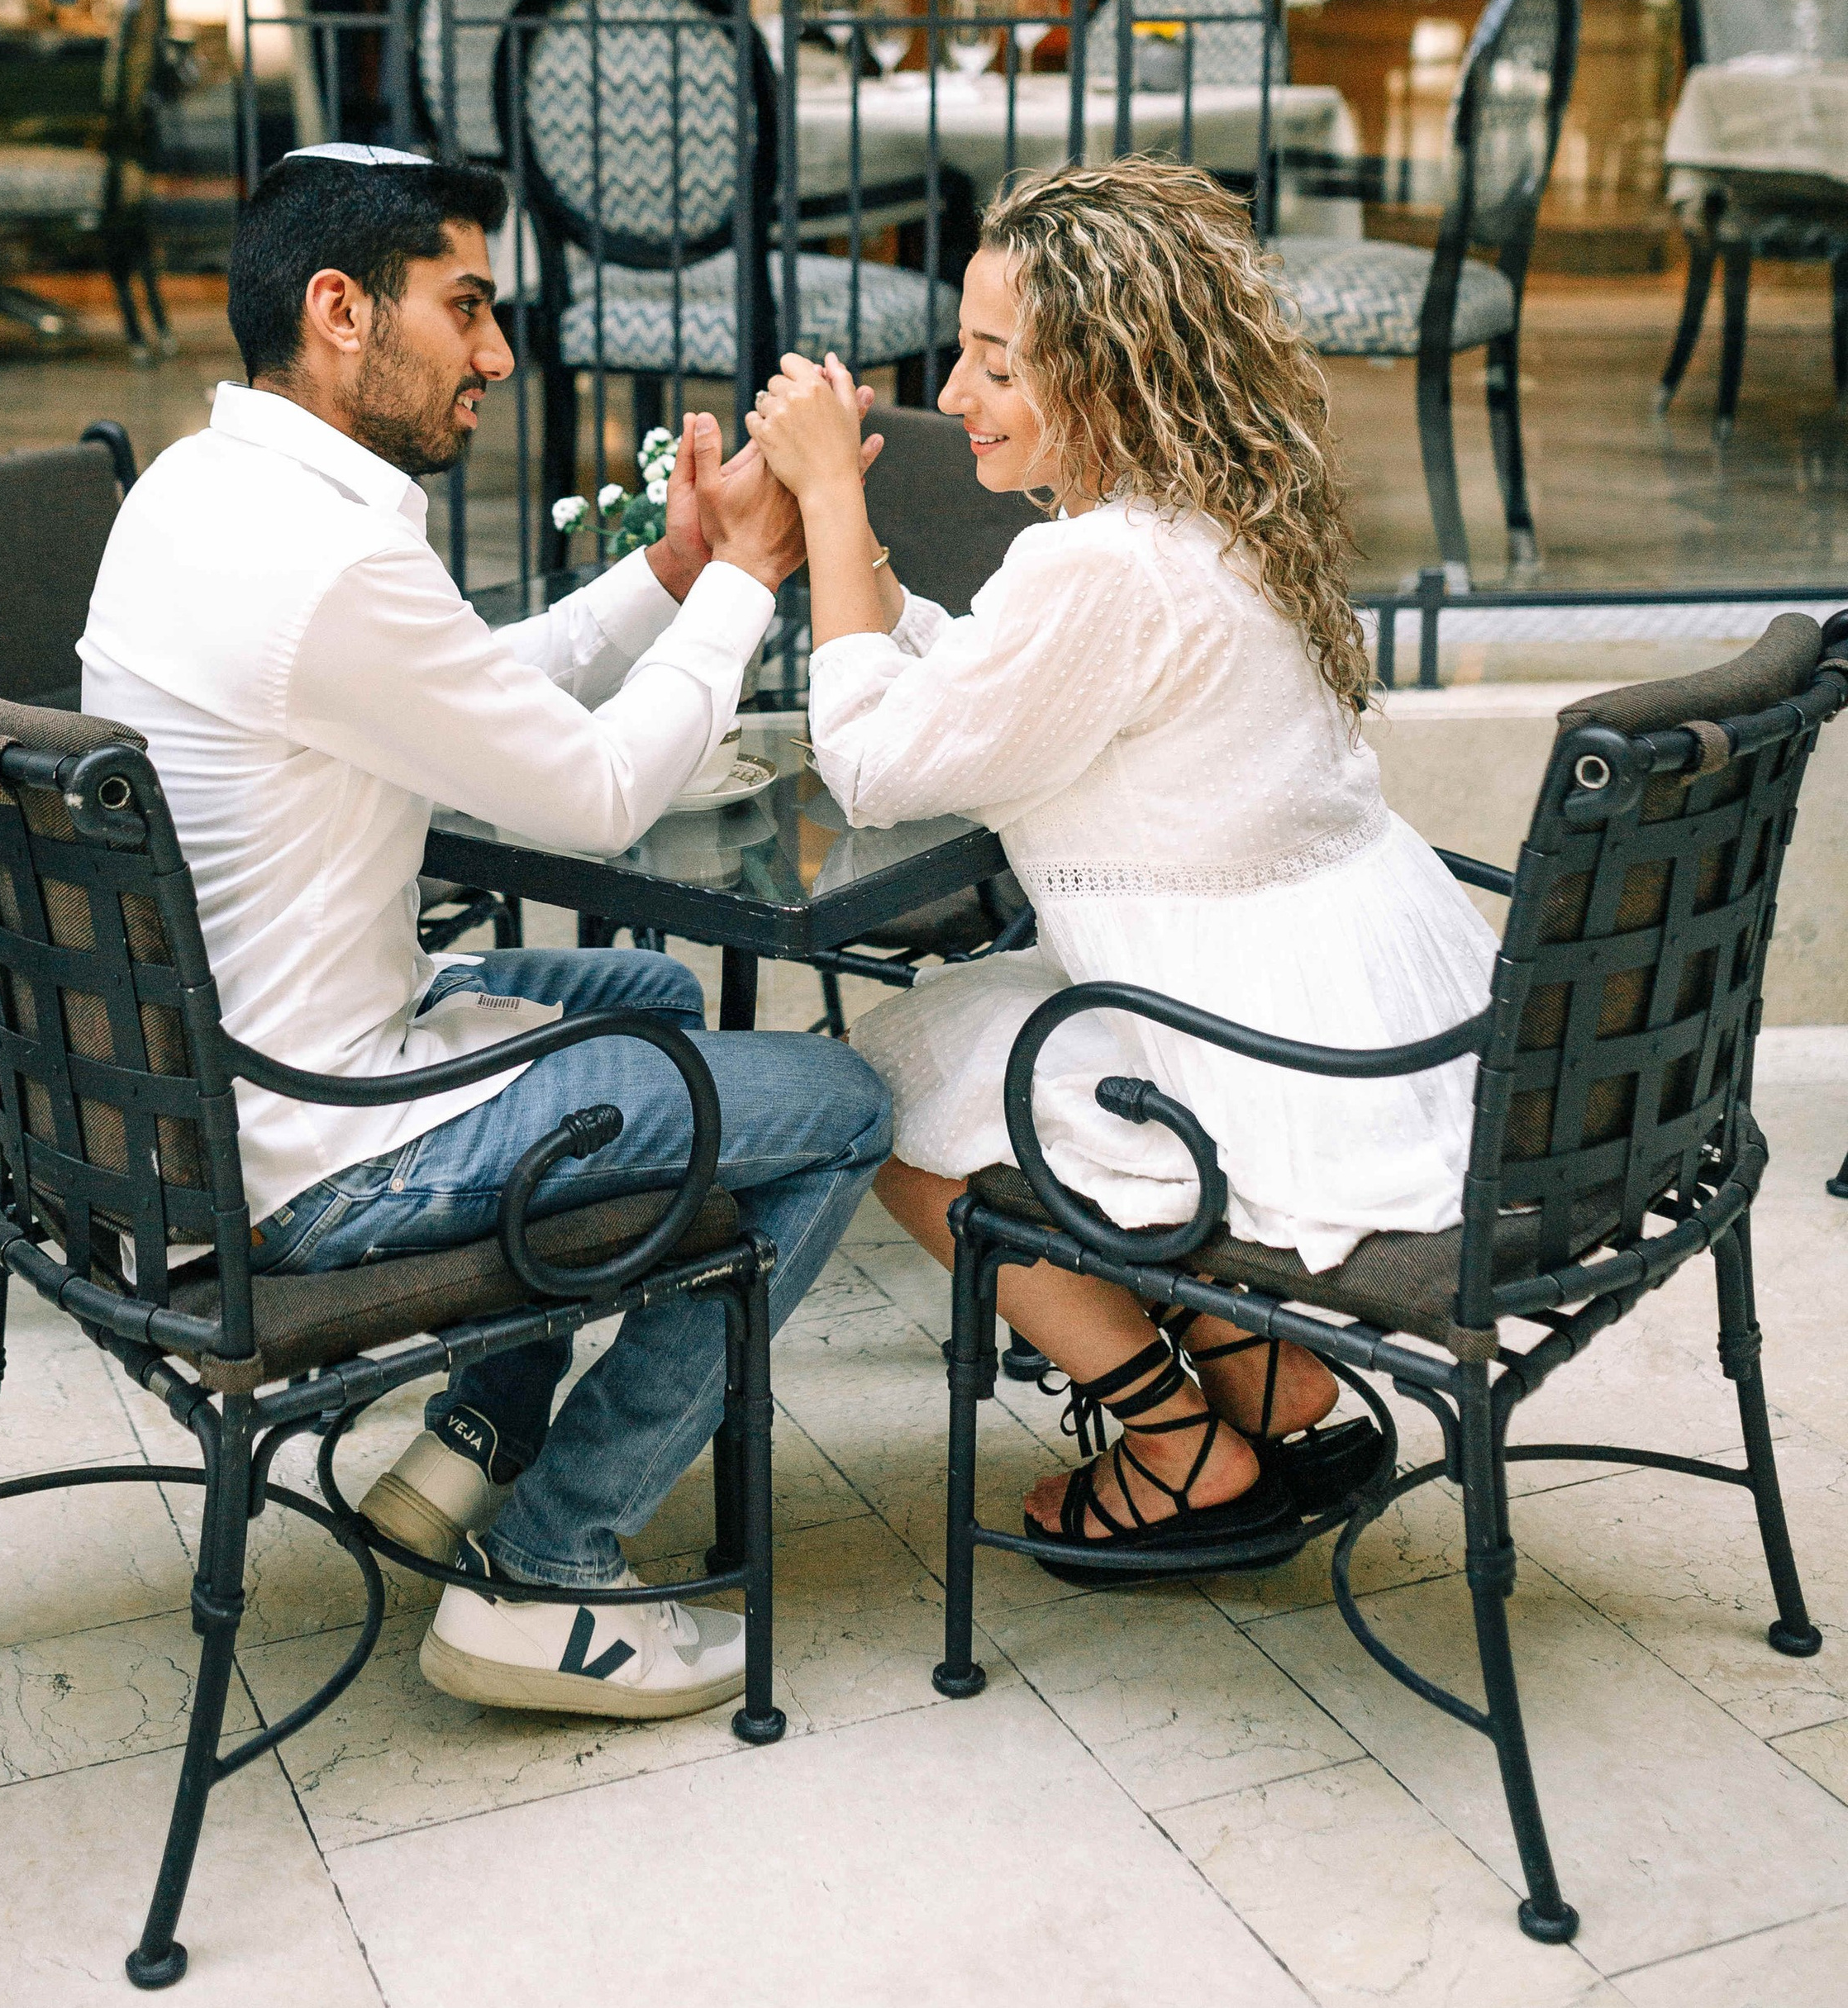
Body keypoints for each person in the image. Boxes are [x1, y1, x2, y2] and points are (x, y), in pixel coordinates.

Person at [81, 143, 890, 1715]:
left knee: (642, 990)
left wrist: (665, 575)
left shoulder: (204, 491)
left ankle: (470, 1444)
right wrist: (742, 584)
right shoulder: (325, 562)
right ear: (340, 310)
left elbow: (470, 687)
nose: (498, 356)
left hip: (211, 1089)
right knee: (843, 1108)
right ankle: (550, 1563)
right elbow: (589, 797)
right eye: (467, 309)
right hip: (315, 1151)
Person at [745, 154, 1498, 1581]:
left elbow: (880, 767)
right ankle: (1271, 1385)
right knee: (975, 1029)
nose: (956, 398)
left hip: (1250, 1052)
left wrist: (835, 508)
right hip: (1369, 1018)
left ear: (1111, 374)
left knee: (888, 1097)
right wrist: (884, 590)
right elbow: (1001, 685)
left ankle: (1178, 1448)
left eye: (997, 367)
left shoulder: (1103, 568)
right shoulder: (1221, 516)